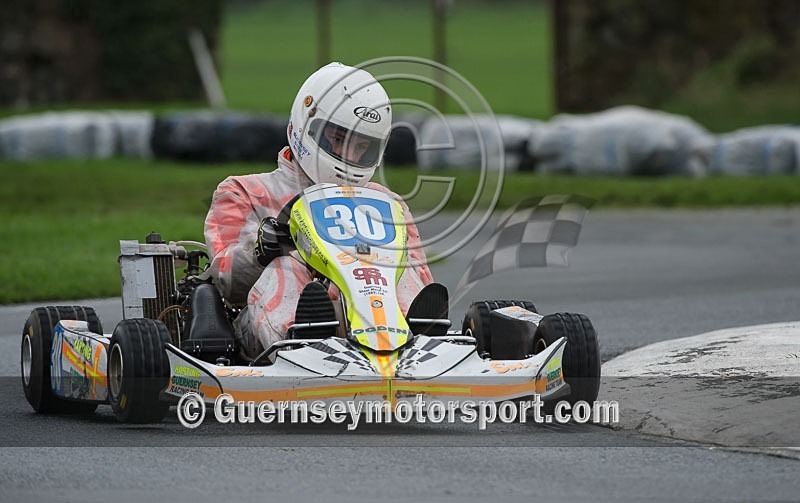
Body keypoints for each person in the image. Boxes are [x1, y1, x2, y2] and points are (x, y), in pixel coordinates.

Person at [204, 62, 434, 358]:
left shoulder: (386, 203)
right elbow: (227, 283)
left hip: (370, 319)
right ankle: (304, 345)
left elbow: (422, 280)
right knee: (287, 267)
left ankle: (419, 345)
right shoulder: (245, 191)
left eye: (362, 146)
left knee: (396, 271)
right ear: (305, 123)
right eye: (339, 139)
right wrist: (261, 250)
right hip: (260, 336)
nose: (351, 156)